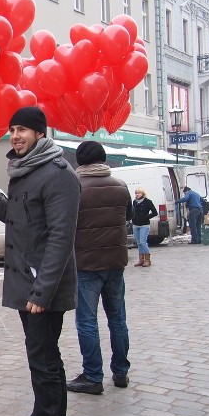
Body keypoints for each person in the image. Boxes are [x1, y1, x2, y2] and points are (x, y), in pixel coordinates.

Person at [0, 106, 80, 416]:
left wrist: (41, 292)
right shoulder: (25, 170)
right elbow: (17, 217)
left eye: (23, 130)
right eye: (12, 129)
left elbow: (61, 239)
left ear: (40, 134)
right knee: (47, 358)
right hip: (28, 283)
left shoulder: (58, 174)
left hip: (42, 287)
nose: (15, 136)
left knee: (43, 362)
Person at [66, 141, 132, 397]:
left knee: (87, 320)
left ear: (80, 161)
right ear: (103, 159)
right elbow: (127, 217)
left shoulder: (75, 187)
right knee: (117, 319)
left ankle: (93, 375)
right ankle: (121, 370)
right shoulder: (120, 186)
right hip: (116, 262)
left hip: (86, 264)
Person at [130, 188, 158, 267]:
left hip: (144, 225)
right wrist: (132, 218)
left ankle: (147, 260)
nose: (137, 195)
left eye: (138, 193)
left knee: (143, 242)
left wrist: (146, 217)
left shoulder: (148, 202)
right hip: (136, 224)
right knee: (139, 243)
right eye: (136, 193)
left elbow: (154, 212)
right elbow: (133, 211)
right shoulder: (135, 202)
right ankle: (141, 260)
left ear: (142, 193)